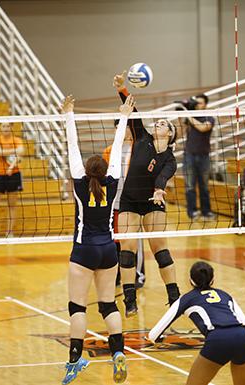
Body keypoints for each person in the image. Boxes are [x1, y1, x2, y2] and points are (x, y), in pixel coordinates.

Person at [60, 94, 134, 385]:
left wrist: (69, 114)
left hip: (83, 250)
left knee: (77, 307)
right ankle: (117, 353)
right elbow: (116, 150)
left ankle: (74, 362)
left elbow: (72, 146)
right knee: (108, 306)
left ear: (87, 173)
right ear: (103, 172)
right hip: (108, 249)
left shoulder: (79, 184)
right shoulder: (113, 182)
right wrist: (124, 115)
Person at [113, 71, 180, 317]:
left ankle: (174, 296)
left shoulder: (170, 158)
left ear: (170, 134)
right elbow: (132, 109)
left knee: (159, 248)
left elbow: (163, 176)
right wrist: (122, 89)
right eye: (159, 122)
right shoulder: (142, 137)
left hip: (152, 202)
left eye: (164, 124)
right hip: (129, 199)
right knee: (127, 247)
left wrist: (160, 191)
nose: (158, 124)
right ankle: (130, 300)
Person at [149, 261, 245, 385]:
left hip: (218, 339)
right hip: (242, 338)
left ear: (190, 280)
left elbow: (153, 335)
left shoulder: (186, 299)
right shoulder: (225, 295)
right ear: (212, 280)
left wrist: (164, 340)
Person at [102, 125, 145, 288]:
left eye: (127, 127)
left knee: (134, 242)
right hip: (114, 202)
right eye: (120, 127)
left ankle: (138, 275)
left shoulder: (139, 149)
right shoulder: (109, 151)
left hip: (134, 203)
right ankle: (116, 275)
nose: (124, 130)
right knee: (114, 240)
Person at [180, 94, 215, 221]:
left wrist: (187, 115)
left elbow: (203, 128)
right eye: (196, 103)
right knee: (189, 186)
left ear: (205, 104)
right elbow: (181, 132)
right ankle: (192, 212)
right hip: (189, 155)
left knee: (204, 186)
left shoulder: (209, 118)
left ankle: (206, 212)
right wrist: (184, 116)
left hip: (204, 156)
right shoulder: (189, 118)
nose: (198, 105)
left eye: (200, 103)